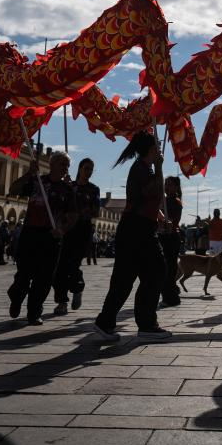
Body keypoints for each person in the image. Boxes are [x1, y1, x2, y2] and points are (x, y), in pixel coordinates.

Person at [94, 131, 171, 342]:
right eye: (157, 146)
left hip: (139, 227)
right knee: (152, 272)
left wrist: (160, 217)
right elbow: (151, 191)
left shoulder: (145, 168)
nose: (160, 150)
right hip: (136, 229)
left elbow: (148, 199)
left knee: (131, 277)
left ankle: (107, 322)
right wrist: (160, 169)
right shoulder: (141, 168)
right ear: (151, 149)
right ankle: (145, 324)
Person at [8, 151, 75, 325]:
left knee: (44, 277)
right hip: (31, 233)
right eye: (62, 164)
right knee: (24, 274)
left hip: (51, 236)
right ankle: (16, 297)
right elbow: (13, 189)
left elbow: (72, 216)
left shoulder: (67, 189)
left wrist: (62, 230)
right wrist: (29, 174)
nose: (65, 168)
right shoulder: (37, 181)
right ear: (51, 164)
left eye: (67, 165)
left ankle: (34, 311)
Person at [54, 158, 101, 314]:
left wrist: (81, 212)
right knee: (60, 266)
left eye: (91, 169)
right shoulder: (69, 185)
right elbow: (60, 205)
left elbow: (96, 211)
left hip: (82, 229)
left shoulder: (93, 189)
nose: (89, 172)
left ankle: (77, 288)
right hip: (67, 228)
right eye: (86, 168)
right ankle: (61, 301)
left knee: (73, 264)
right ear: (79, 168)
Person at [159, 176, 184, 308]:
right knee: (164, 267)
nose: (166, 187)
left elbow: (173, 221)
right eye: (165, 184)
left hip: (171, 237)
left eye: (169, 184)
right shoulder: (163, 200)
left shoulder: (176, 202)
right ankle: (171, 290)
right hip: (162, 236)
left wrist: (166, 223)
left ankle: (170, 296)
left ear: (176, 187)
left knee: (169, 268)